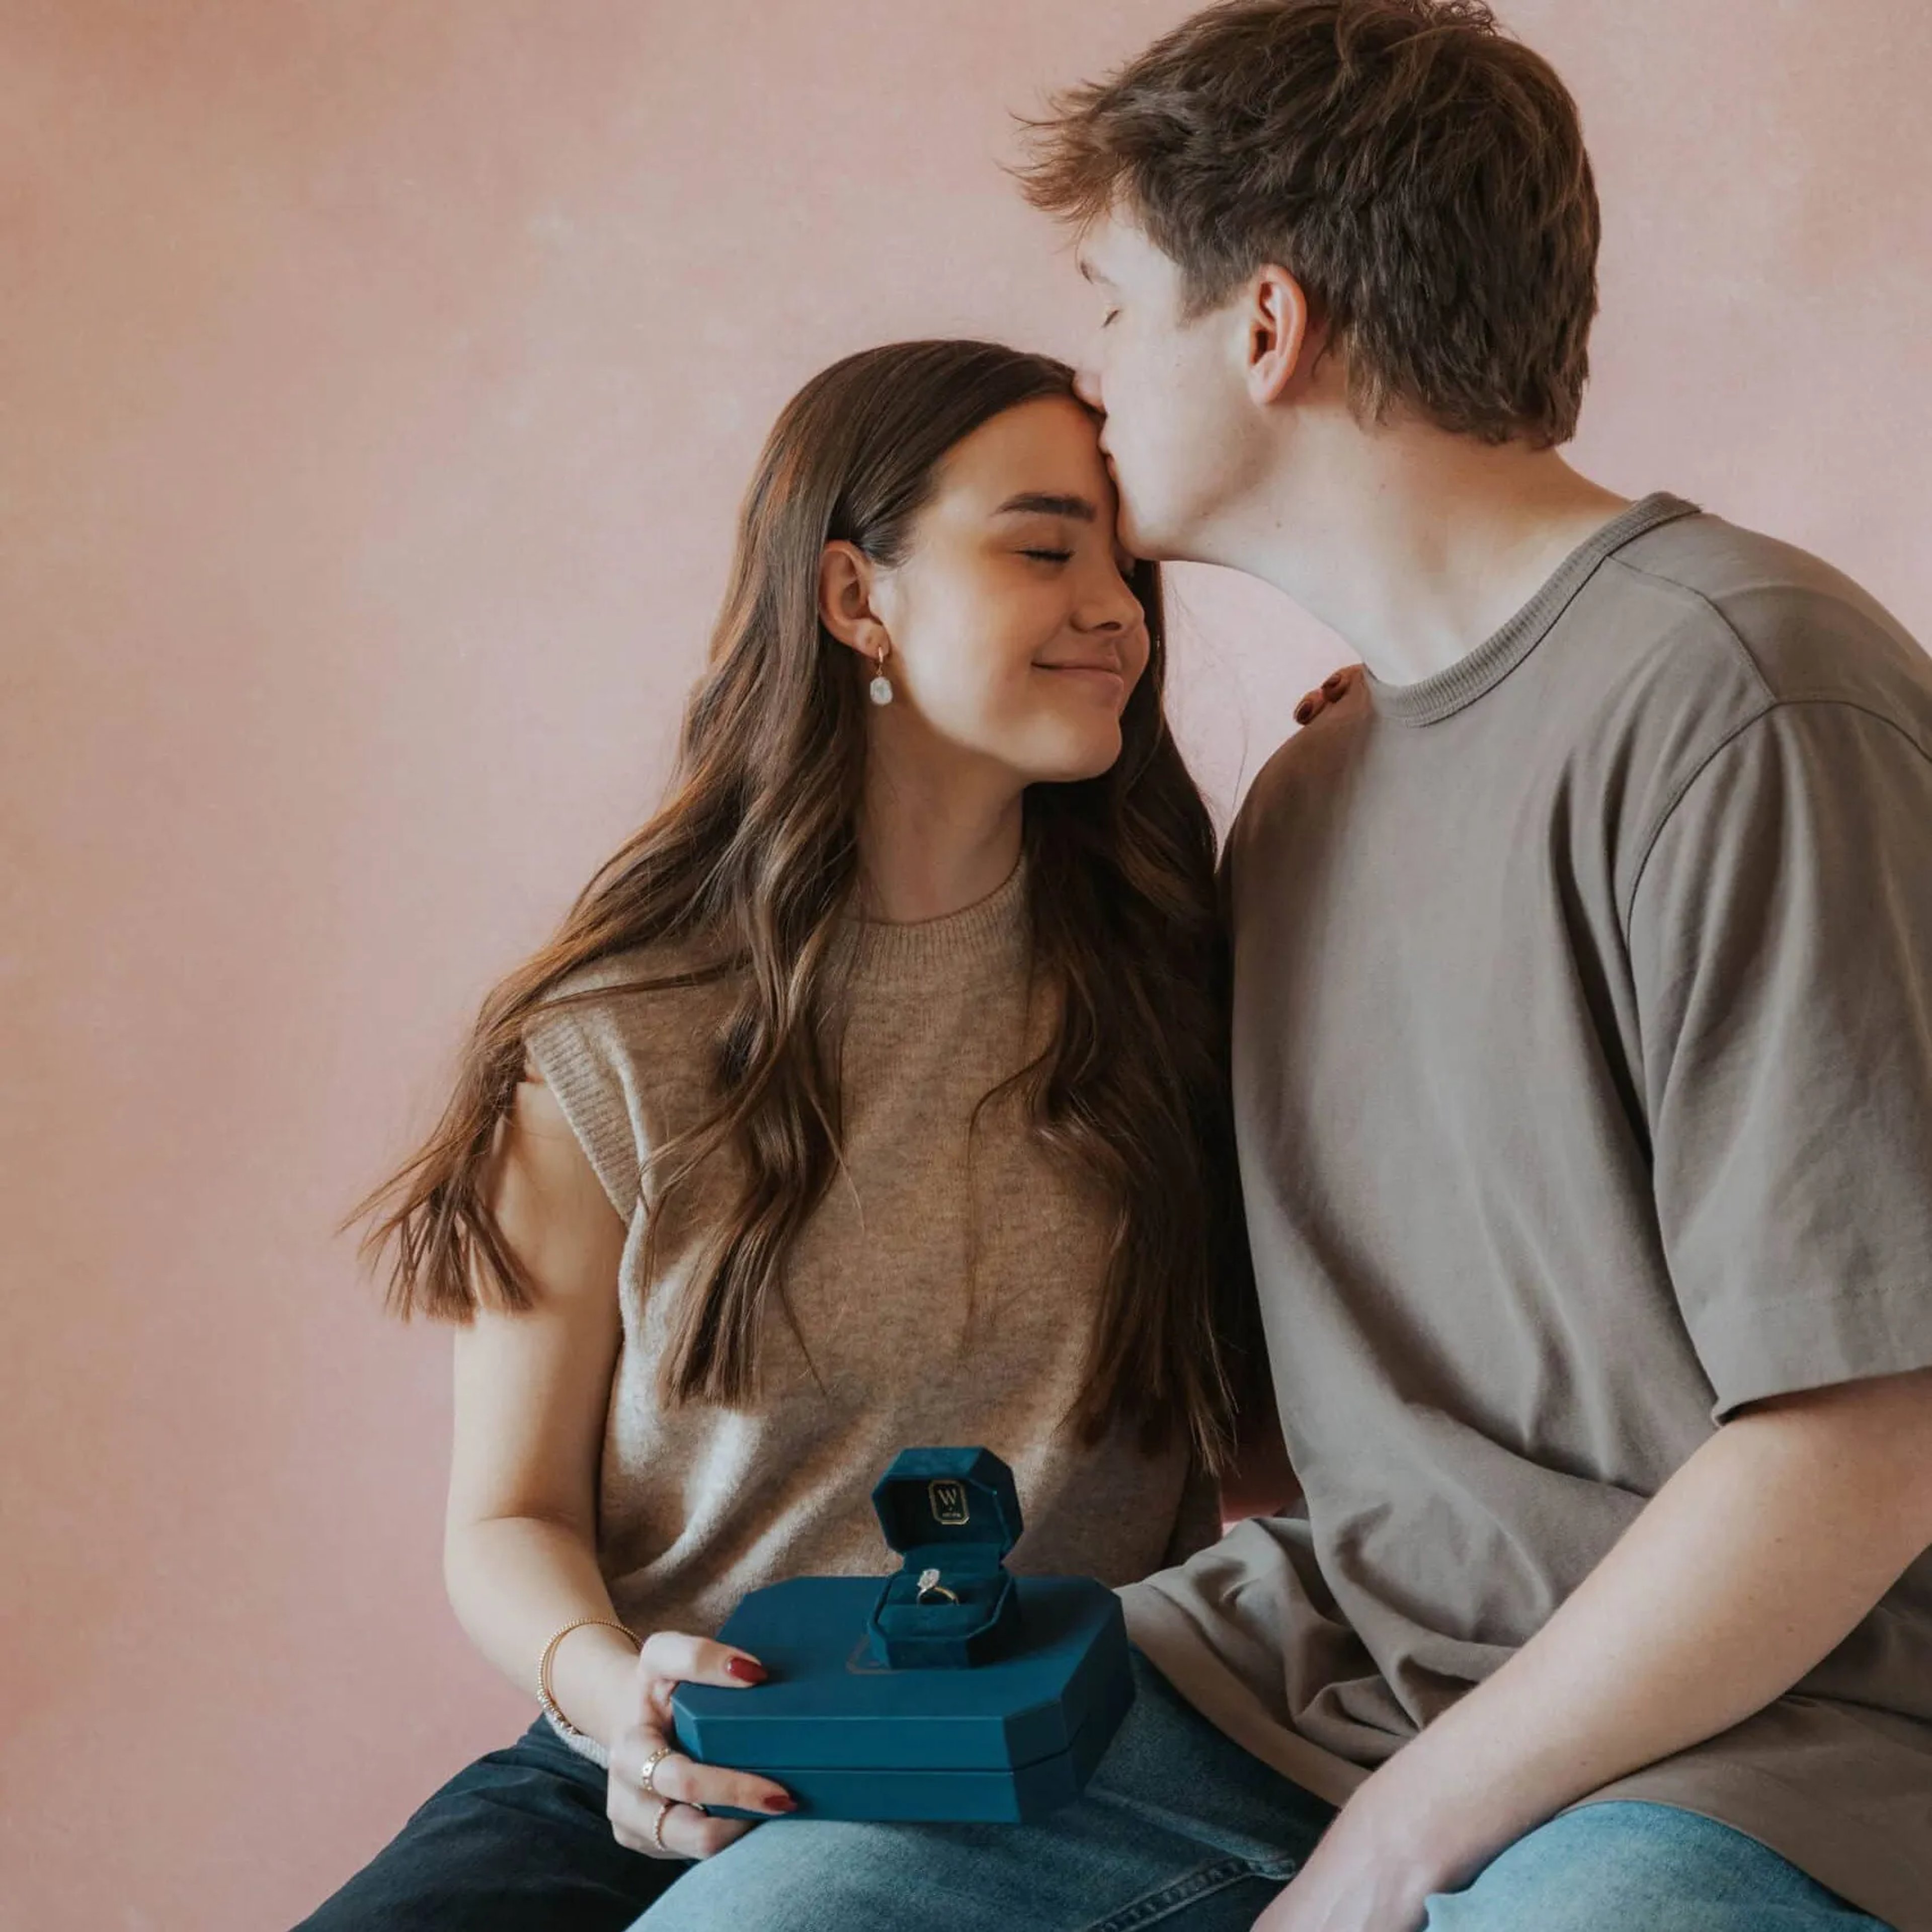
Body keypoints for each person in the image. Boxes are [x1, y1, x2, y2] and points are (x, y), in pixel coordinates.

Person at [631, 5, 1932, 1930]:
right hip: (1300, 1682)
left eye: (1110, 303)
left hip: (1765, 1738)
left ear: (1264, 328)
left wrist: (1399, 1846)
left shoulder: (1748, 698)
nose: (1093, 378)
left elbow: (1874, 1432)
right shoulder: (1310, 797)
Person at [295, 338, 1264, 1931]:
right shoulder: (615, 1031)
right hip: (654, 1753)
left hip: (1058, 1771)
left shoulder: (1189, 981)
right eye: (1042, 549)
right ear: (851, 599)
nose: (1115, 609)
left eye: (1128, 561)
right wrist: (626, 1706)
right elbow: (508, 1518)